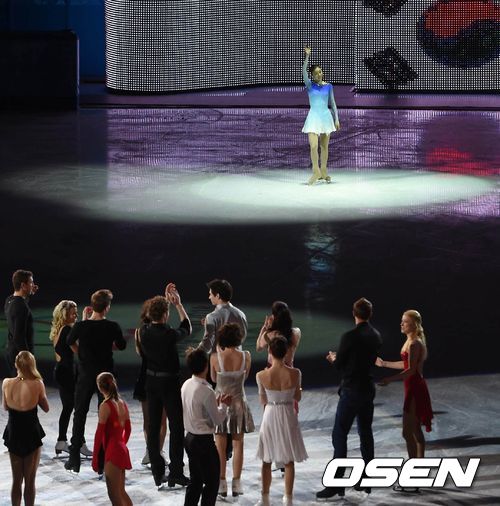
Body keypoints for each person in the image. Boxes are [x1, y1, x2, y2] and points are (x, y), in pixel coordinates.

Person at [316, 297, 382, 500]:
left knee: (340, 434)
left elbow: (340, 365)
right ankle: (367, 479)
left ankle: (337, 483)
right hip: (367, 389)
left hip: (352, 390)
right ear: (370, 314)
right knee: (365, 433)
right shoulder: (376, 335)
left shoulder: (350, 336)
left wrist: (334, 358)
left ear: (354, 313)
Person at [65, 289, 127, 473]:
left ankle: (74, 458)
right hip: (105, 376)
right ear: (107, 308)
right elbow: (121, 345)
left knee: (80, 413)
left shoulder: (81, 326)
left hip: (85, 374)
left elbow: (69, 341)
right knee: (106, 417)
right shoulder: (112, 326)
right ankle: (102, 460)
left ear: (92, 307)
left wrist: (82, 352)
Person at [139, 283, 191, 489]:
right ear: (166, 314)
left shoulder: (144, 331)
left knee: (153, 428)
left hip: (151, 382)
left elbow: (148, 317)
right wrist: (178, 304)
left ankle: (157, 472)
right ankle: (176, 472)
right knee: (176, 427)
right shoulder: (169, 334)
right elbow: (187, 327)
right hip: (169, 383)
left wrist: (161, 302)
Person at [377, 310, 433, 472]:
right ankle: (419, 466)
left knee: (408, 432)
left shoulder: (414, 344)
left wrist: (389, 379)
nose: (401, 324)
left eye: (405, 321)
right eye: (402, 321)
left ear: (414, 324)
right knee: (414, 430)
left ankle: (415, 467)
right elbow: (406, 364)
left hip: (415, 388)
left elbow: (411, 370)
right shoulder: (410, 341)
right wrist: (385, 364)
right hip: (413, 386)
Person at [255, 337, 307, 506]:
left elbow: (262, 400)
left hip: (270, 413)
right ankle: (288, 498)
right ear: (286, 352)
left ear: (270, 352)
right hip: (288, 413)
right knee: (288, 460)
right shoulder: (296, 373)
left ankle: (265, 498)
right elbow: (297, 397)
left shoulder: (261, 375)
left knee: (266, 459)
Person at [182, 348, 232, 506]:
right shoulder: (206, 391)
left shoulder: (186, 384)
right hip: (203, 442)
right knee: (212, 482)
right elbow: (217, 420)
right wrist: (224, 406)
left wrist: (214, 405)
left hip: (189, 438)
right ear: (205, 366)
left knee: (195, 481)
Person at [210, 323, 254, 498]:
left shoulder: (215, 358)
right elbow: (245, 376)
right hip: (238, 403)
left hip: (220, 403)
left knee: (219, 447)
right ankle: (236, 483)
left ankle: (221, 483)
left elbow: (214, 379)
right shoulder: (246, 356)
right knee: (238, 444)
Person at [2, 351, 49, 506]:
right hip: (31, 432)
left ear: (16, 364)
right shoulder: (38, 383)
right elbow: (46, 408)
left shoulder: (6, 383)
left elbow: (5, 407)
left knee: (16, 480)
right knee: (30, 480)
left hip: (14, 432)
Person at [50, 299, 90, 456]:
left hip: (61, 370)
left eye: (76, 313)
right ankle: (79, 443)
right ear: (64, 315)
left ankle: (62, 441)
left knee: (68, 407)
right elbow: (79, 351)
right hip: (67, 372)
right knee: (77, 408)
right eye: (73, 313)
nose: (75, 316)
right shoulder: (66, 330)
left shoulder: (59, 329)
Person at [132, 298, 167, 466]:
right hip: (162, 376)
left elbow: (140, 353)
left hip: (145, 375)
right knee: (161, 420)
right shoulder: (165, 331)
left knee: (148, 419)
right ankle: (157, 452)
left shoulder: (140, 332)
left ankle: (150, 451)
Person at [302, 46, 340, 186]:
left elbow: (333, 103)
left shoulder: (328, 86)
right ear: (312, 75)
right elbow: (303, 71)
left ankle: (323, 171)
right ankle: (315, 171)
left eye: (320, 72)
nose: (319, 74)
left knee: (324, 146)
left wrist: (336, 119)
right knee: (313, 146)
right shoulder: (310, 85)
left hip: (325, 117)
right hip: (313, 117)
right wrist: (307, 57)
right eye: (316, 73)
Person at [92, 372, 132, 506]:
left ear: (100, 387)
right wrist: (121, 445)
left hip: (113, 451)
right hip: (122, 449)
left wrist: (95, 458)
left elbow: (99, 435)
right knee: (121, 492)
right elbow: (128, 429)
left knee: (114, 495)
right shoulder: (122, 403)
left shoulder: (105, 406)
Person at [198, 279, 247, 354]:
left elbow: (207, 344)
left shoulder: (212, 317)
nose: (209, 297)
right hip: (237, 359)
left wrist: (194, 353)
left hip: (218, 359)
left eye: (210, 294)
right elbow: (242, 337)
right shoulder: (241, 314)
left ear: (217, 296)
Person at [4, 270, 38, 377]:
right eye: (31, 282)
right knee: (24, 383)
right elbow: (18, 337)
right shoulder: (21, 306)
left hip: (11, 351)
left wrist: (29, 293)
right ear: (23, 285)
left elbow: (20, 306)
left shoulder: (9, 300)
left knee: (19, 382)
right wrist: (27, 359)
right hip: (20, 356)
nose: (33, 285)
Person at [256, 301, 301, 368]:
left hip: (272, 370)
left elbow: (258, 348)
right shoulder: (296, 332)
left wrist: (265, 327)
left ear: (274, 317)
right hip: (289, 370)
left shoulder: (269, 335)